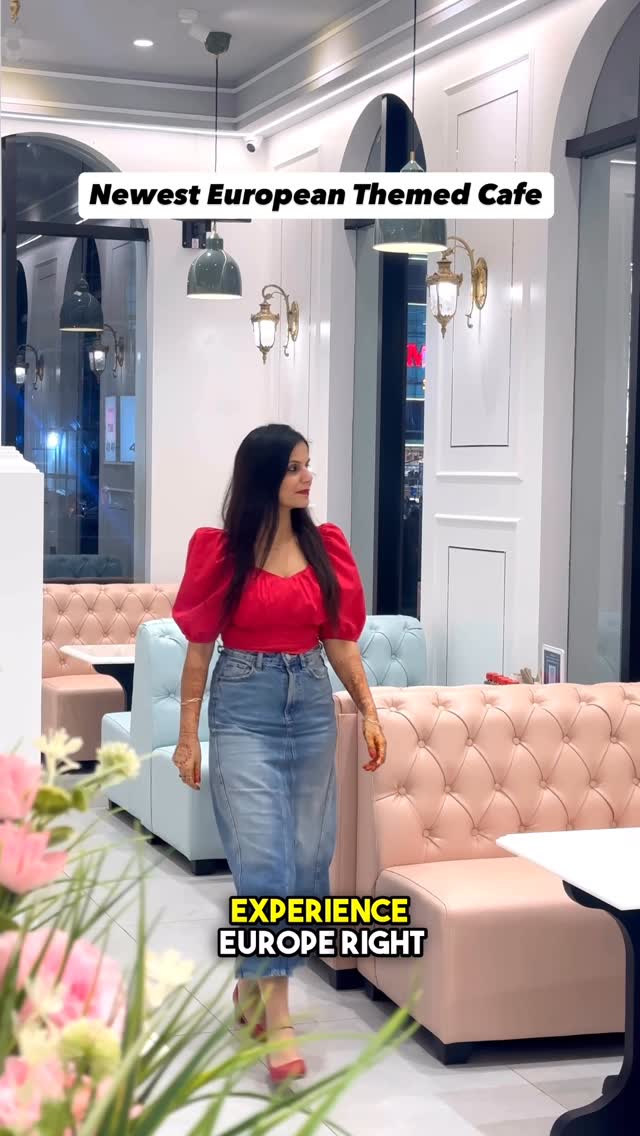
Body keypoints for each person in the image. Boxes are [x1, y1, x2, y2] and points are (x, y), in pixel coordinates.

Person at [171, 423, 387, 1085]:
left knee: (309, 866)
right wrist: (187, 735)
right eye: (294, 467)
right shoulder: (220, 552)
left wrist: (369, 709)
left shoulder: (326, 548)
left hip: (311, 706)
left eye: (307, 464)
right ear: (263, 475)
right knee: (263, 863)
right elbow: (199, 652)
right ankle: (280, 1022)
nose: (307, 476)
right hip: (243, 708)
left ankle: (251, 983)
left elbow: (339, 642)